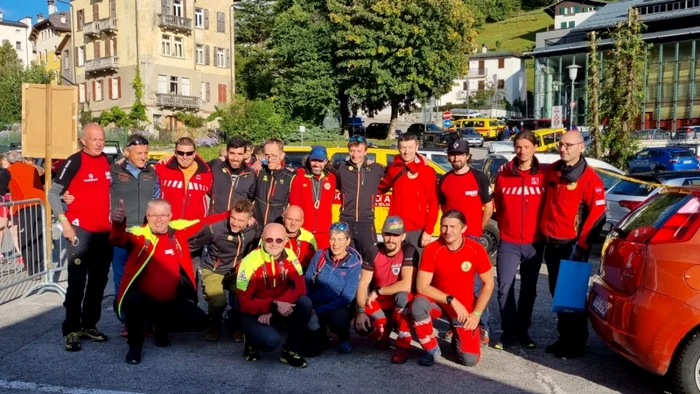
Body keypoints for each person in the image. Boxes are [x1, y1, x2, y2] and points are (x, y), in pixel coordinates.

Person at [110, 199, 209, 364]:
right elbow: (117, 240)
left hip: (170, 301)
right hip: (144, 301)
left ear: (170, 216)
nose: (159, 219)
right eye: (154, 215)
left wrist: (232, 214)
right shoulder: (139, 234)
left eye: (163, 215)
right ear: (147, 216)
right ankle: (135, 345)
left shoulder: (178, 231)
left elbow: (206, 222)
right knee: (134, 301)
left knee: (201, 321)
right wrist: (118, 224)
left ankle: (158, 326)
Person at [47, 123, 113, 351]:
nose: (98, 143)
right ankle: (71, 330)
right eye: (94, 139)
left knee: (98, 283)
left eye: (102, 139)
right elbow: (53, 193)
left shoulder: (106, 160)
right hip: (79, 232)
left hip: (104, 233)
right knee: (77, 283)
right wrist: (64, 223)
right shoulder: (74, 161)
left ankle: (89, 325)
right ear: (83, 140)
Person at [541, 130, 606, 359]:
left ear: (581, 147)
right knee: (557, 294)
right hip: (552, 243)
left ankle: (577, 342)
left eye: (568, 145)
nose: (563, 148)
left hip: (571, 247)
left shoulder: (590, 180)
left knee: (572, 298)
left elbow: (598, 216)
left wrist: (582, 245)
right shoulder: (554, 171)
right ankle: (564, 337)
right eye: (561, 144)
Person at [412, 210, 494, 367]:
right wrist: (451, 300)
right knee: (418, 304)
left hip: (464, 310)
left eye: (452, 227)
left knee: (469, 360)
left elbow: (489, 284)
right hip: (440, 303)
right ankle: (431, 349)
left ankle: (458, 333)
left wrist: (476, 314)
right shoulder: (432, 249)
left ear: (463, 229)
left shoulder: (476, 249)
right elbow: (422, 286)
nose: (447, 231)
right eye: (444, 226)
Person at [437, 139, 494, 344]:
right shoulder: (444, 180)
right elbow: (444, 210)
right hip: (452, 240)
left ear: (468, 156)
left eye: (460, 154)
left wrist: (478, 230)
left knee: (476, 286)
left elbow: (489, 206)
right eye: (452, 155)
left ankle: (483, 327)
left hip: (473, 240)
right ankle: (456, 324)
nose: (456, 158)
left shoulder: (479, 178)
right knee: (452, 284)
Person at [492, 131, 545, 350]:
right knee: (505, 287)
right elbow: (498, 206)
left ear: (534, 148)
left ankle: (522, 330)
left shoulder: (545, 175)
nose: (522, 151)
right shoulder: (504, 175)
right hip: (509, 241)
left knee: (529, 289)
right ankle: (508, 330)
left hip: (534, 242)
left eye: (526, 146)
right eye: (518, 147)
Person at [236, 223, 312, 368]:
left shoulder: (290, 255)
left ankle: (289, 350)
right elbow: (244, 302)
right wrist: (273, 305)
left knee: (305, 302)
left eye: (279, 240)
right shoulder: (249, 262)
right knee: (270, 342)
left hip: (276, 308)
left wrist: (276, 305)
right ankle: (250, 339)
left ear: (285, 241)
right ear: (262, 239)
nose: (274, 244)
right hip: (253, 312)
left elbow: (300, 288)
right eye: (269, 239)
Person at [188, 199, 258, 342]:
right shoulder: (215, 229)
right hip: (213, 270)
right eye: (233, 218)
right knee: (218, 301)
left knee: (244, 297)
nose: (235, 223)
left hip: (236, 272)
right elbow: (192, 244)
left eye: (240, 220)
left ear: (249, 220)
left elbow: (257, 246)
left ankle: (237, 326)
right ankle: (213, 325)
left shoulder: (254, 228)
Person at [355, 216, 419, 364]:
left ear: (403, 236)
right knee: (362, 326)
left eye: (396, 235)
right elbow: (363, 283)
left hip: (399, 302)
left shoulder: (409, 250)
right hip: (381, 304)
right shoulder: (374, 250)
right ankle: (384, 330)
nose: (391, 239)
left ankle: (403, 345)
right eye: (388, 234)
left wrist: (378, 291)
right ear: (382, 234)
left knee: (403, 296)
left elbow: (407, 284)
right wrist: (360, 311)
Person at [304, 222, 362, 355]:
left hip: (337, 307)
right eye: (332, 239)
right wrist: (309, 306)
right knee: (309, 351)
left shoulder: (354, 264)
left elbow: (347, 296)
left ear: (348, 241)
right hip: (316, 305)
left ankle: (344, 338)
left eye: (340, 239)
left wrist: (318, 311)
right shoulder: (320, 255)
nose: (335, 244)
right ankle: (322, 336)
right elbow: (307, 281)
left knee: (338, 320)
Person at [378, 134, 438, 254]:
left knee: (417, 267)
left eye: (410, 147)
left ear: (417, 147)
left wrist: (429, 230)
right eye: (403, 148)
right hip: (395, 228)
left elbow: (433, 204)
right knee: (394, 268)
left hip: (417, 229)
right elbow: (379, 189)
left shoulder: (427, 171)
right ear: (399, 149)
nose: (406, 152)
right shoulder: (393, 170)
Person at [331, 135, 384, 263]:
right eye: (352, 151)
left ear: (366, 152)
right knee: (344, 257)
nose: (355, 155)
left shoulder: (376, 168)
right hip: (346, 219)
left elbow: (396, 170)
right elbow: (318, 166)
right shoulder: (341, 168)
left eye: (359, 151)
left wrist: (420, 158)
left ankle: (367, 283)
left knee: (370, 257)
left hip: (366, 221)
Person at [155, 137, 213, 221]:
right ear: (175, 153)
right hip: (168, 225)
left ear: (194, 154)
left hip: (196, 227)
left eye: (189, 153)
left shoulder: (206, 173)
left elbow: (218, 196)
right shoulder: (162, 168)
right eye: (180, 153)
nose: (184, 157)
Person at [289, 146, 336, 249]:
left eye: (320, 161)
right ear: (308, 160)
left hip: (324, 231)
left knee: (321, 262)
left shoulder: (331, 178)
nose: (317, 164)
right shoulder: (299, 177)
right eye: (314, 160)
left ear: (326, 161)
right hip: (304, 230)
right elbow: (294, 204)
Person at [6, 150, 45, 275]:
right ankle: (40, 266)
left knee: (26, 239)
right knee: (38, 237)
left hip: (25, 206)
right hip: (40, 205)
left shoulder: (9, 172)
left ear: (10, 161)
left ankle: (32, 270)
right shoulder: (32, 169)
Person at [252, 138, 295, 228]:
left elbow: (293, 207)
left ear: (282, 155)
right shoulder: (259, 171)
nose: (270, 159)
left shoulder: (290, 177)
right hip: (255, 227)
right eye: (267, 155)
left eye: (273, 155)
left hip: (276, 229)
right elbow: (248, 197)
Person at [209, 137, 256, 214]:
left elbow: (250, 199)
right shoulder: (216, 166)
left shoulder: (251, 174)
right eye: (232, 153)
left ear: (245, 154)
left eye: (240, 154)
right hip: (215, 220)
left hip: (236, 222)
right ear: (227, 152)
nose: (235, 158)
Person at [282, 205, 317, 270]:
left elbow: (314, 263)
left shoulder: (309, 237)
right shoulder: (274, 234)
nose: (293, 223)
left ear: (302, 222)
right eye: (289, 219)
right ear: (283, 218)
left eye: (297, 220)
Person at [0, 154, 20, 264]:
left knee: (14, 229)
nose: (8, 164)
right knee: (2, 229)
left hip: (12, 200)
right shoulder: (3, 172)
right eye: (5, 162)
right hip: (3, 201)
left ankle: (21, 253)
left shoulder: (13, 172)